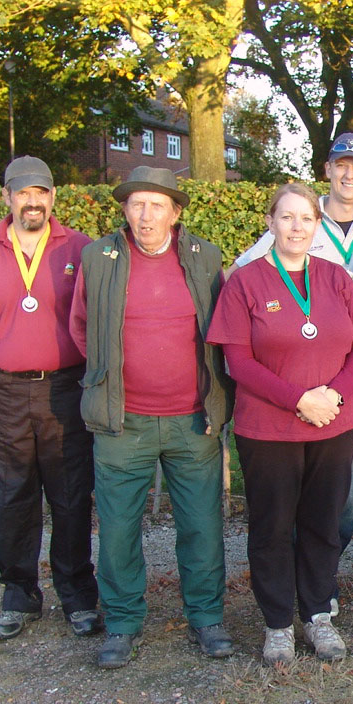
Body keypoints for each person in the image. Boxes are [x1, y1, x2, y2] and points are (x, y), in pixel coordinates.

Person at [69, 166, 233, 668]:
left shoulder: (205, 257)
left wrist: (214, 399)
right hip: (123, 422)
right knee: (118, 529)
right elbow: (81, 327)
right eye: (136, 204)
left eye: (157, 205)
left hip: (193, 419)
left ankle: (207, 617)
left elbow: (222, 329)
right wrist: (111, 379)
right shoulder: (98, 257)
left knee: (201, 526)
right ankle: (122, 622)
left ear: (175, 212)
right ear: (124, 209)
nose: (146, 215)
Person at [211, 183, 353, 665]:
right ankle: (278, 623)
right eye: (286, 217)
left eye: (306, 218)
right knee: (272, 527)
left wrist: (334, 394)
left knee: (323, 523)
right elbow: (238, 361)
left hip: (334, 422)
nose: (296, 227)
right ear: (271, 223)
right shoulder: (245, 282)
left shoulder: (336, 277)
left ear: (317, 225)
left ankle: (318, 615)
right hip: (269, 428)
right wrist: (299, 399)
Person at [234, 132, 353, 606]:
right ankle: (292, 585)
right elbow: (241, 273)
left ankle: (316, 580)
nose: (349, 174)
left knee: (345, 495)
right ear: (327, 170)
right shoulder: (299, 217)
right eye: (341, 165)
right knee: (294, 499)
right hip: (294, 382)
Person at [0, 156, 101, 641]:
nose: (32, 201)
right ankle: (19, 595)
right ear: (7, 197)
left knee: (71, 495)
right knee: (13, 493)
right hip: (6, 391)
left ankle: (77, 595)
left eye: (40, 192)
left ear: (53, 197)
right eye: (23, 193)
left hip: (65, 387)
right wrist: (11, 356)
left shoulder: (79, 248)